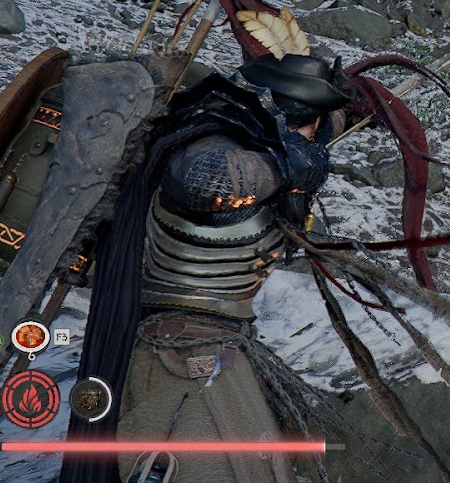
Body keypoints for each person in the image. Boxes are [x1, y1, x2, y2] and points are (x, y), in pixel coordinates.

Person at [62, 51, 348, 483]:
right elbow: (206, 180)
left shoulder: (254, 141)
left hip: (215, 349)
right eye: (314, 125)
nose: (316, 136)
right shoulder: (212, 144)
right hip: (178, 359)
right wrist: (293, 164)